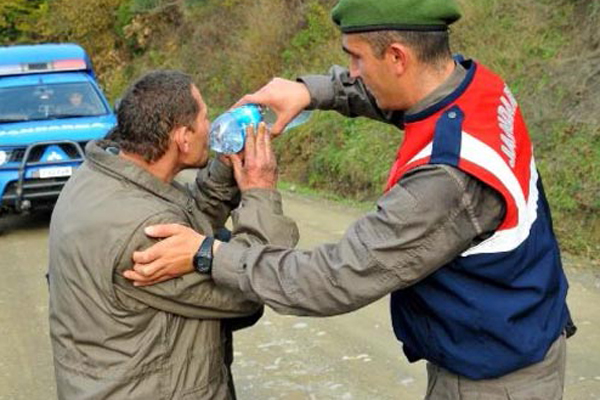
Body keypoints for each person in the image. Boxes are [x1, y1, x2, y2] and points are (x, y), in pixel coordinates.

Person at [126, 1, 573, 398]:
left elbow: (333, 278)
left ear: (398, 56)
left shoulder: (446, 179)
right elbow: (393, 97)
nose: (353, 73)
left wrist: (208, 254)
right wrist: (311, 92)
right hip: (510, 332)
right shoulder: (474, 85)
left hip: (495, 377)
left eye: (356, 59)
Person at [48, 70, 298, 399]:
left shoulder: (102, 178)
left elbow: (184, 221)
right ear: (182, 138)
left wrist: (224, 172)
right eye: (206, 117)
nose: (212, 127)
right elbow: (250, 285)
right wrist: (260, 194)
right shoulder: (144, 232)